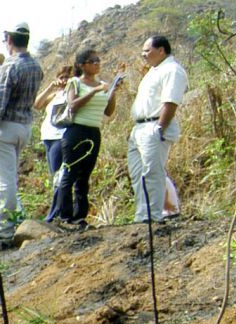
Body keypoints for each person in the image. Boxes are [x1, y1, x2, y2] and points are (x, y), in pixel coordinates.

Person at [0, 23, 44, 247]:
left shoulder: (9, 68)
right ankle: (14, 219)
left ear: (8, 40)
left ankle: (4, 230)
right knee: (10, 175)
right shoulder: (36, 66)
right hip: (23, 127)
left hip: (5, 127)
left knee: (3, 181)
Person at [52, 49, 123, 230]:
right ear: (82, 65)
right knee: (70, 173)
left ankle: (80, 216)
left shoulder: (101, 84)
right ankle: (65, 216)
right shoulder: (75, 82)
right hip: (76, 131)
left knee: (85, 176)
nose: (97, 64)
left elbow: (108, 111)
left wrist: (112, 92)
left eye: (98, 61)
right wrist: (94, 91)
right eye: (92, 61)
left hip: (93, 130)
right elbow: (73, 105)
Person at [127, 35, 188, 224]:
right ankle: (142, 215)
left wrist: (160, 127)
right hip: (140, 128)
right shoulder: (153, 72)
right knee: (138, 174)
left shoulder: (172, 70)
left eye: (147, 50)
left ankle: (153, 216)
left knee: (152, 172)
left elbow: (171, 101)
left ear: (161, 50)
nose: (143, 55)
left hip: (154, 126)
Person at [34, 65, 74, 222]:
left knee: (60, 176)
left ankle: (56, 212)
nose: (64, 80)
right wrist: (51, 87)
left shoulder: (72, 93)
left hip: (61, 136)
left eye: (67, 77)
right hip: (48, 136)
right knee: (55, 176)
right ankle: (61, 211)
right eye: (62, 77)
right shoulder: (55, 95)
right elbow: (37, 104)